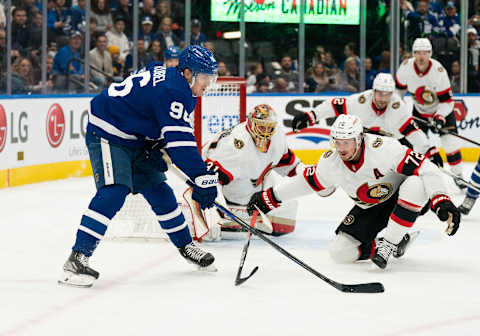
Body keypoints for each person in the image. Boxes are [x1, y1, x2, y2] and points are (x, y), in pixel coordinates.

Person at [58, 45, 219, 288]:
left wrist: (155, 142)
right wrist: (201, 176)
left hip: (134, 138)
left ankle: (186, 246)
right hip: (107, 132)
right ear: (187, 73)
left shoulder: (171, 78)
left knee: (161, 193)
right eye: (205, 77)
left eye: (212, 77)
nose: (208, 84)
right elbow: (181, 143)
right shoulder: (175, 91)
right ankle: (76, 259)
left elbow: (153, 109)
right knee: (114, 191)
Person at [247, 114, 461, 269]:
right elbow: (306, 182)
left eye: (346, 142)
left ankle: (389, 243)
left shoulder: (383, 148)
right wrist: (269, 198)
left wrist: (441, 200)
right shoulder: (331, 162)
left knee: (415, 183)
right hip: (370, 207)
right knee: (340, 253)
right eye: (337, 142)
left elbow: (426, 167)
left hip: (403, 196)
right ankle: (397, 243)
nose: (341, 148)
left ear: (359, 139)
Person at [191, 104, 302, 240]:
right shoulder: (236, 147)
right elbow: (206, 180)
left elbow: (288, 164)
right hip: (226, 183)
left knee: (286, 219)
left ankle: (244, 210)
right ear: (251, 123)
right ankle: (229, 212)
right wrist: (209, 214)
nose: (266, 132)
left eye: (269, 128)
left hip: (253, 179)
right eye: (261, 127)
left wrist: (311, 176)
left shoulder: (277, 134)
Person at [292, 73, 441, 166]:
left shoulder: (398, 107)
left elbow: (414, 133)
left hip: (393, 145)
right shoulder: (359, 102)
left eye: (387, 94)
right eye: (380, 93)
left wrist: (429, 151)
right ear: (373, 91)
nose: (383, 99)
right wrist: (311, 116)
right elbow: (333, 105)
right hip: (367, 146)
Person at [395, 38, 465, 188]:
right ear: (413, 54)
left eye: (425, 53)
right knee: (416, 145)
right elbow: (398, 91)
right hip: (419, 112)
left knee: (450, 144)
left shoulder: (438, 70)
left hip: (442, 112)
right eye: (417, 53)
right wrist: (398, 106)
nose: (421, 57)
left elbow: (447, 101)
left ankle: (458, 176)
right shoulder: (406, 67)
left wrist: (439, 117)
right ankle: (414, 176)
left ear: (430, 54)